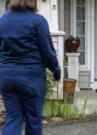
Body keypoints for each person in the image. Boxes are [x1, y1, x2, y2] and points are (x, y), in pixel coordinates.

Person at [0, 0, 61, 135]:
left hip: (6, 76)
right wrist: (56, 72)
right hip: (31, 77)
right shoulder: (38, 21)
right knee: (33, 120)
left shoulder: (3, 19)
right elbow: (48, 52)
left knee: (13, 118)